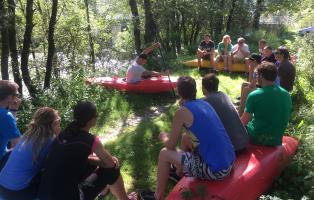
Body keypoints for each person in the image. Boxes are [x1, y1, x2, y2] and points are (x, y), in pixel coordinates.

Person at [140, 76, 235, 200]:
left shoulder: (182, 112)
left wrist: (164, 137)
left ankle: (157, 196)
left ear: (179, 92)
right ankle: (180, 172)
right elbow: (194, 131)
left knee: (164, 154)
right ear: (195, 90)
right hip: (229, 162)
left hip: (216, 171)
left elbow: (170, 146)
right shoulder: (204, 103)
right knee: (185, 137)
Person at [38, 101, 136, 200]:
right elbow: (110, 164)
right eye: (96, 115)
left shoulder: (63, 134)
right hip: (69, 196)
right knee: (113, 170)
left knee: (92, 166)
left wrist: (94, 160)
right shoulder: (90, 140)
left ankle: (105, 191)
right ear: (91, 120)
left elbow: (73, 158)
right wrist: (107, 160)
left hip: (44, 193)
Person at [0, 107, 61, 200]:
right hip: (17, 192)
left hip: (2, 186)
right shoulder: (49, 141)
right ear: (54, 123)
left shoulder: (28, 135)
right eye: (58, 121)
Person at [241, 62, 292, 146]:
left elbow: (244, 121)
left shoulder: (254, 95)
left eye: (257, 75)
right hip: (277, 139)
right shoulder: (286, 93)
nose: (256, 78)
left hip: (257, 138)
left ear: (261, 76)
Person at [202, 73, 249, 152]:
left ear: (204, 88)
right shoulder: (224, 95)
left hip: (231, 148)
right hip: (244, 141)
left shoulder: (204, 102)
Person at [0, 80, 21, 171]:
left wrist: (14, 110)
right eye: (16, 95)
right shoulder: (5, 116)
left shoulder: (5, 115)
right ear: (9, 97)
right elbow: (18, 144)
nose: (17, 98)